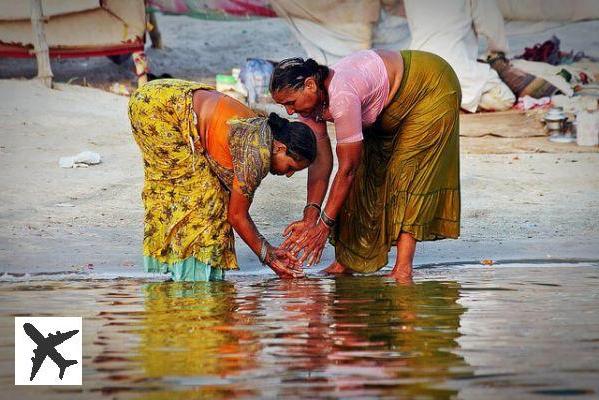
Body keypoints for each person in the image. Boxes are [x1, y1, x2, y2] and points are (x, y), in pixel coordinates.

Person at [270, 50, 461, 282]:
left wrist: (324, 226)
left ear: (310, 85)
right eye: (284, 107)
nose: (290, 111)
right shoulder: (310, 106)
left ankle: (403, 268)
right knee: (365, 174)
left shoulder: (342, 95)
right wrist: (311, 216)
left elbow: (346, 169)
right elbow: (320, 162)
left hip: (429, 87)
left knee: (406, 174)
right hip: (388, 103)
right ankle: (346, 261)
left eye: (291, 103)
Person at [129, 79, 317, 281]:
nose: (287, 175)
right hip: (159, 110)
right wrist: (269, 256)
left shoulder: (263, 130)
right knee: (202, 202)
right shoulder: (256, 154)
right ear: (280, 147)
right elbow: (237, 215)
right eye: (290, 167)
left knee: (207, 196)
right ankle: (194, 280)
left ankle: (183, 272)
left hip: (162, 93)